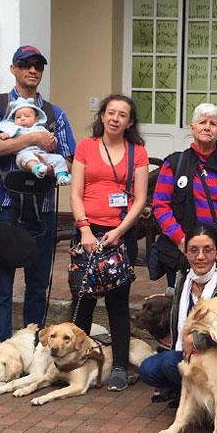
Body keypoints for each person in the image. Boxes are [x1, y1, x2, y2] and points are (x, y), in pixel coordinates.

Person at [0, 45, 76, 349]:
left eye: (38, 65)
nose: (32, 70)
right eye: (25, 64)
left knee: (38, 284)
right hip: (6, 205)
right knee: (1, 285)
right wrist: (32, 139)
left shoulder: (56, 113)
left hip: (42, 207)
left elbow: (70, 159)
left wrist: (50, 158)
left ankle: (33, 346)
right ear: (13, 69)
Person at [69, 94, 150, 391]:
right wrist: (85, 230)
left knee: (117, 302)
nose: (115, 118)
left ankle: (117, 366)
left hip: (120, 234)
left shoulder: (137, 151)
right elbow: (76, 192)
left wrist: (118, 231)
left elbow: (140, 199)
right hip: (87, 232)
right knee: (84, 299)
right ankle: (75, 363)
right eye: (111, 112)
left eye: (122, 114)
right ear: (102, 116)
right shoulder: (86, 147)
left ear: (130, 122)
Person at [138, 225, 217, 402]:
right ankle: (192, 396)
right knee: (148, 369)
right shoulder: (183, 277)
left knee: (171, 362)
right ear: (184, 251)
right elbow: (187, 302)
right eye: (194, 250)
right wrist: (169, 295)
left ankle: (209, 403)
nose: (200, 257)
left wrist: (198, 339)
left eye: (207, 250)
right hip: (189, 353)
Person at [152, 103, 217, 287]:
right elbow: (160, 206)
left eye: (213, 123)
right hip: (181, 251)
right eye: (202, 122)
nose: (207, 127)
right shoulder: (174, 164)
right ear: (192, 128)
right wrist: (181, 239)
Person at [0, 98, 72, 184]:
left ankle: (61, 176)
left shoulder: (40, 129)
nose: (22, 119)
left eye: (27, 116)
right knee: (28, 158)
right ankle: (36, 168)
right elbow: (4, 138)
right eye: (18, 117)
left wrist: (52, 139)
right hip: (23, 154)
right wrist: (3, 136)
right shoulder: (14, 129)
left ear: (36, 119)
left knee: (59, 158)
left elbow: (49, 139)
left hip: (42, 154)